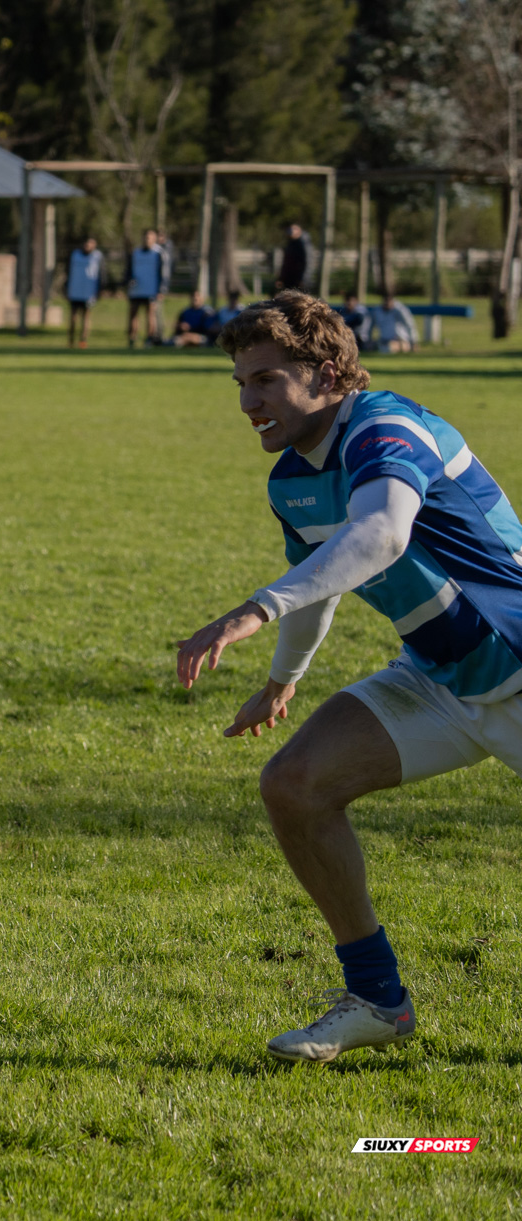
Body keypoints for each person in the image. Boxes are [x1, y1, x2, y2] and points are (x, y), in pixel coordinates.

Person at [173, 290, 522, 1064]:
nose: (247, 401)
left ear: (329, 372)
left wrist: (254, 609)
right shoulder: (294, 477)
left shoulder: (388, 428)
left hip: (518, 666)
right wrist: (281, 678)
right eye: (239, 382)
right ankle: (377, 999)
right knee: (294, 783)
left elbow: (382, 534)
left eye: (265, 379)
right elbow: (323, 578)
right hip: (440, 679)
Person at [125, 228, 168, 348]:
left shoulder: (159, 253)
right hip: (136, 289)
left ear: (154, 238)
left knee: (150, 315)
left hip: (151, 289)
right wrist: (128, 281)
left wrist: (162, 289)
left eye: (149, 237)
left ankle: (149, 339)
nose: (147, 239)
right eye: (145, 237)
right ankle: (132, 339)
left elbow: (164, 272)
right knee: (133, 314)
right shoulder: (136, 252)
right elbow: (128, 270)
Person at [64, 236, 102, 349]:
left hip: (88, 293)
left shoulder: (97, 256)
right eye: (86, 243)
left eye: (91, 244)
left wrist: (99, 290)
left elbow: (101, 275)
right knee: (73, 317)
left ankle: (83, 340)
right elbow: (68, 272)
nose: (88, 246)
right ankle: (70, 341)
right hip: (75, 291)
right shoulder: (75, 255)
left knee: (86, 317)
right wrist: (66, 287)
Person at [277, 223, 314, 293]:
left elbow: (308, 262)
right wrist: (281, 278)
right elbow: (287, 263)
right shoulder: (291, 243)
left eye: (294, 229)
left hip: (299, 280)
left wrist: (304, 279)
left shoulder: (304, 244)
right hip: (290, 280)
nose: (291, 231)